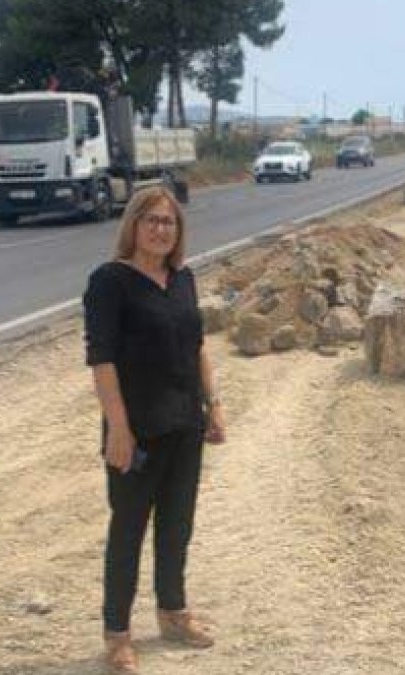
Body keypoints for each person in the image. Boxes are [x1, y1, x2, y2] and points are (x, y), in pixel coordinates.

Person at [83, 186, 228, 673]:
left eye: (169, 221)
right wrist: (118, 430)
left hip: (185, 424)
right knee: (127, 532)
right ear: (133, 225)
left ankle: (173, 613)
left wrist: (213, 405)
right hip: (138, 431)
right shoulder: (110, 282)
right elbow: (102, 361)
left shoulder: (182, 278)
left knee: (177, 526)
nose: (160, 229)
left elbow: (198, 346)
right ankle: (118, 635)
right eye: (151, 220)